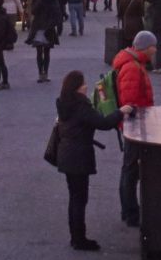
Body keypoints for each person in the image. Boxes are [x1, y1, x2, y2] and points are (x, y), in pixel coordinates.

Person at [52, 70, 122, 250]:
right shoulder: (81, 106)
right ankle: (79, 238)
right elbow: (103, 123)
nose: (86, 86)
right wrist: (120, 112)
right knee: (79, 198)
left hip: (66, 153)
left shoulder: (64, 104)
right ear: (76, 88)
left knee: (74, 197)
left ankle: (75, 236)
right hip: (79, 155)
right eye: (83, 84)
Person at [112, 29, 158, 227]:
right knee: (130, 168)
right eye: (154, 46)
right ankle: (130, 211)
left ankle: (129, 209)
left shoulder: (134, 63)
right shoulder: (132, 67)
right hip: (134, 124)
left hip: (135, 122)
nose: (156, 50)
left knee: (130, 168)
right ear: (146, 47)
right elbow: (129, 100)